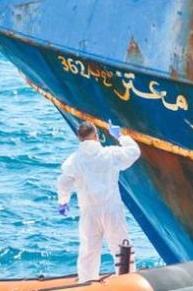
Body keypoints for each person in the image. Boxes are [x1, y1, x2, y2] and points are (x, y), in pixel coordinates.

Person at [57, 120, 141, 283]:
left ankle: (87, 284)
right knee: (121, 247)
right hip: (111, 208)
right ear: (96, 136)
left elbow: (63, 182)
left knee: (89, 252)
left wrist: (63, 202)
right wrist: (120, 136)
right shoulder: (109, 154)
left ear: (79, 139)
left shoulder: (74, 160)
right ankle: (126, 282)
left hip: (89, 211)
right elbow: (134, 152)